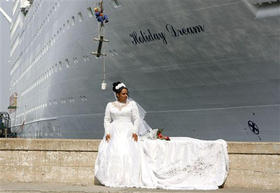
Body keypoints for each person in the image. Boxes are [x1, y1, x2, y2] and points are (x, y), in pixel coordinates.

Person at [95, 82, 229, 190]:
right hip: (114, 132)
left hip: (128, 131)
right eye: (123, 94)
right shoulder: (110, 105)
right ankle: (114, 177)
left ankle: (127, 177)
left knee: (128, 154)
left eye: (126, 93)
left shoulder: (132, 105)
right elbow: (107, 119)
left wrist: (135, 131)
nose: (126, 95)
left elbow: (136, 119)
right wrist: (107, 132)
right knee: (115, 154)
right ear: (117, 94)